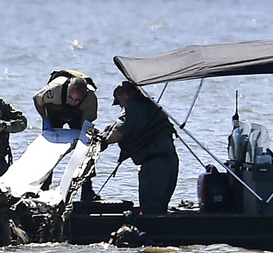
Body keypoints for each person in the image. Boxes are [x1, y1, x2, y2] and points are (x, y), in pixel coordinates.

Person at [101, 80, 179, 215]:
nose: (120, 105)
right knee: (160, 208)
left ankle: (147, 228)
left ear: (125, 95)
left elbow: (117, 134)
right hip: (171, 162)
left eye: (119, 101)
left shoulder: (132, 108)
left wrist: (102, 142)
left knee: (149, 210)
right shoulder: (150, 105)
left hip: (154, 167)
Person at [32, 70, 98, 130]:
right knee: (51, 128)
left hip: (77, 115)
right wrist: (45, 119)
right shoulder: (56, 89)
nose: (73, 101)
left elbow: (88, 120)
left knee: (82, 129)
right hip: (55, 111)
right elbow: (37, 99)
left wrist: (84, 129)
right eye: (70, 97)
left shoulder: (90, 98)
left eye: (77, 99)